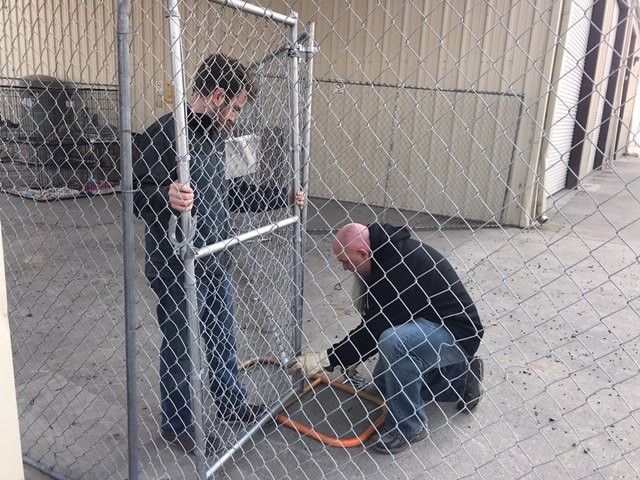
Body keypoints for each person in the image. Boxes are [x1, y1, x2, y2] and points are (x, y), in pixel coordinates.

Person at [133, 53, 304, 455]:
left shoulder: (214, 138)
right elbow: (136, 196)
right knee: (181, 344)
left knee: (222, 337)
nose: (235, 118)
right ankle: (178, 423)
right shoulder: (161, 134)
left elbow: (232, 193)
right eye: (236, 108)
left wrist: (283, 196)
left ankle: (229, 402)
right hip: (176, 265)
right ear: (218, 95)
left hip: (215, 258)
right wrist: (166, 196)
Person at [288, 222, 484, 454]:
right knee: (384, 385)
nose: (343, 268)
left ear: (363, 253)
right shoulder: (383, 255)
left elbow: (377, 329)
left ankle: (408, 426)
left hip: (456, 334)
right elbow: (375, 319)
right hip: (427, 324)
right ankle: (460, 379)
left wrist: (326, 359)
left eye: (345, 261)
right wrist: (345, 355)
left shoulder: (397, 268)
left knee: (394, 342)